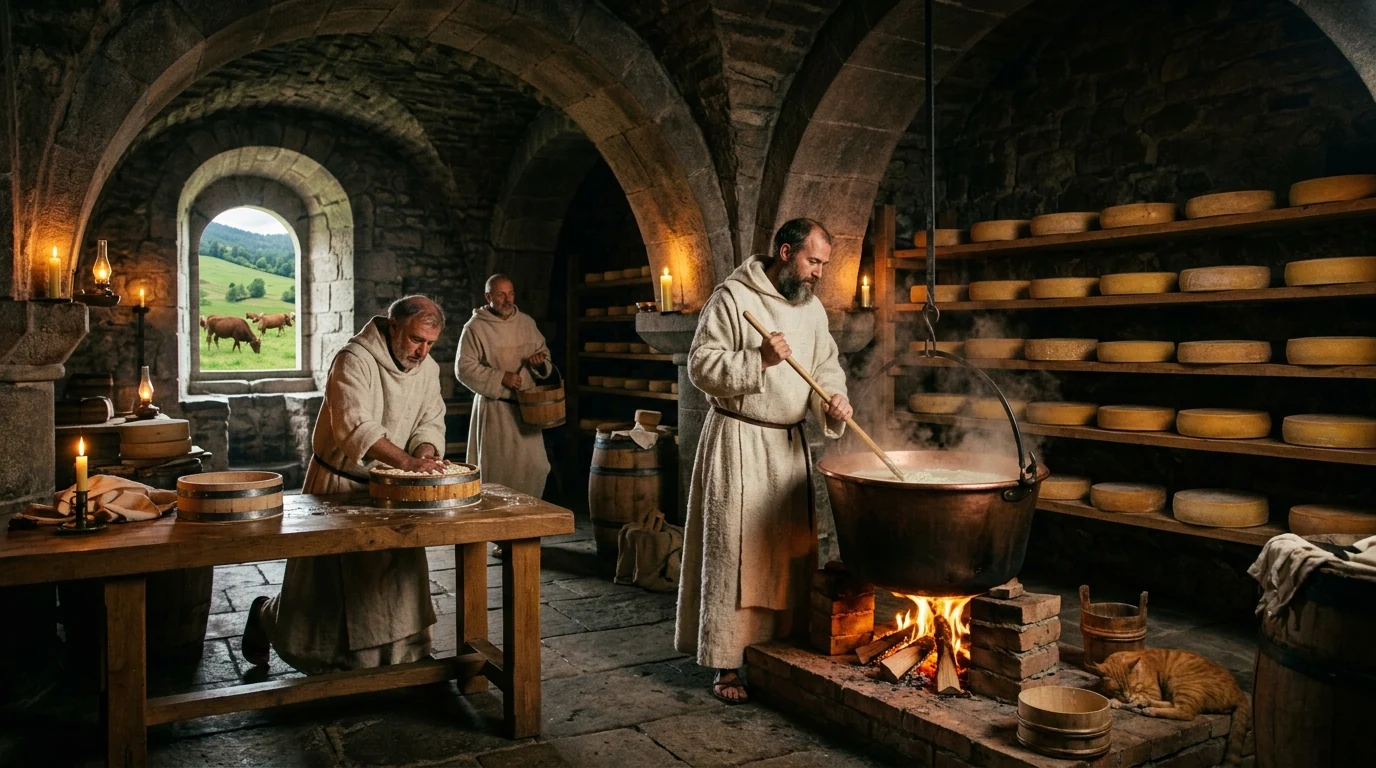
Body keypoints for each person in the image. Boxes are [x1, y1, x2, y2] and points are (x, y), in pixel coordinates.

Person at [674, 218, 853, 705]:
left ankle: (781, 649)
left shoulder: (812, 311)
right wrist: (759, 360)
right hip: (740, 440)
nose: (819, 273)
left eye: (823, 264)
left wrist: (833, 400)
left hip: (788, 446)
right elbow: (699, 366)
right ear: (785, 250)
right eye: (813, 261)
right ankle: (727, 664)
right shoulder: (733, 298)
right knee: (736, 550)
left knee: (786, 551)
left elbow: (825, 367)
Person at [241, 296, 449, 673]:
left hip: (391, 488)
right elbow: (355, 426)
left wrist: (427, 453)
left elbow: (429, 421)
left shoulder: (428, 369)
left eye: (431, 343)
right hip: (338, 486)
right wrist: (408, 462)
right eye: (417, 340)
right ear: (393, 326)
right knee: (326, 594)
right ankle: (269, 620)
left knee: (395, 583)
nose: (422, 351)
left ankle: (403, 656)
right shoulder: (354, 359)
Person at [455, 274, 555, 555]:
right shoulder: (475, 328)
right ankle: (500, 536)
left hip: (526, 411)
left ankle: (526, 529)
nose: (508, 299)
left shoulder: (526, 323)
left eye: (510, 293)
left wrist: (539, 363)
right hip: (496, 409)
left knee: (535, 467)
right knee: (500, 473)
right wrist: (500, 377)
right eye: (500, 294)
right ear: (488, 297)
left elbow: (544, 356)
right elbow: (464, 368)